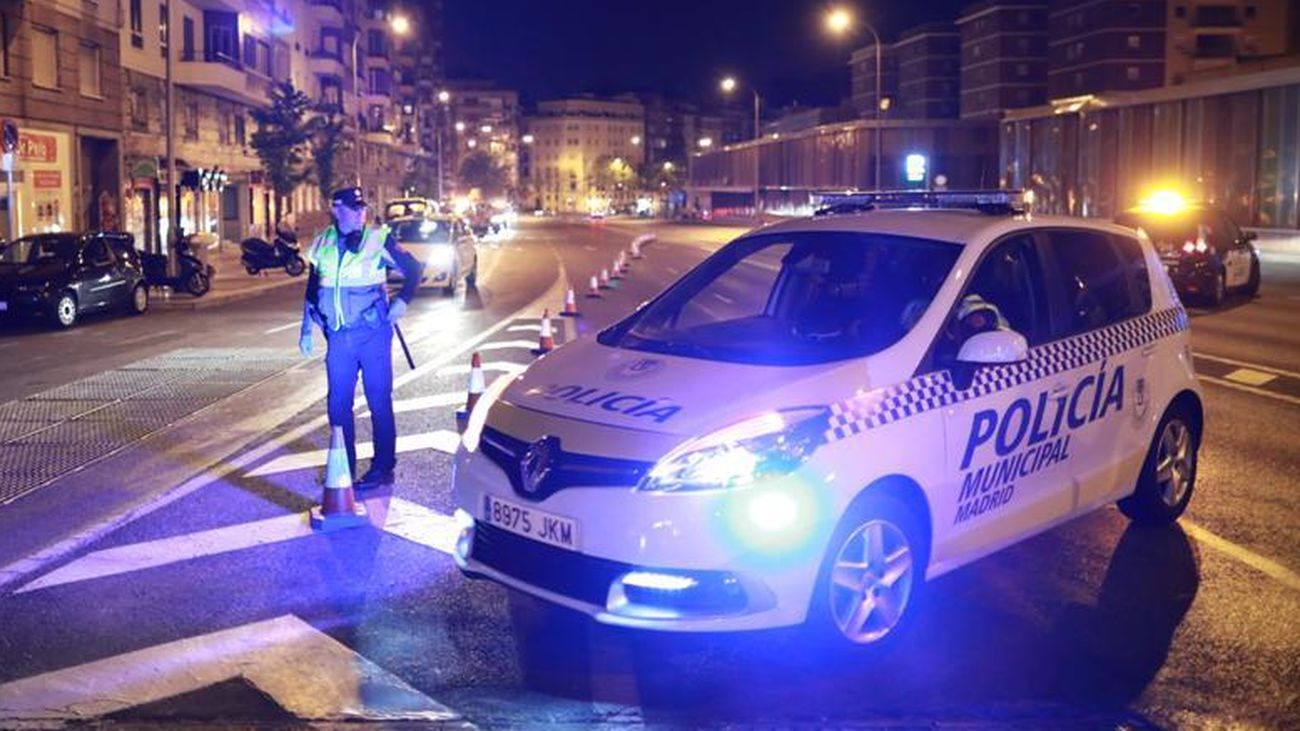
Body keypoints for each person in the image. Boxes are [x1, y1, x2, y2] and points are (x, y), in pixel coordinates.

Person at [299, 187, 422, 490]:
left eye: (362, 208)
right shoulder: (322, 242)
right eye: (354, 208)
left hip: (372, 335)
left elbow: (414, 269)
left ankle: (383, 466)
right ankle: (344, 467)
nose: (360, 213)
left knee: (378, 398)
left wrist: (402, 301)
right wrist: (306, 326)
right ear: (336, 208)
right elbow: (312, 287)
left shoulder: (378, 239)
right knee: (338, 405)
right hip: (338, 338)